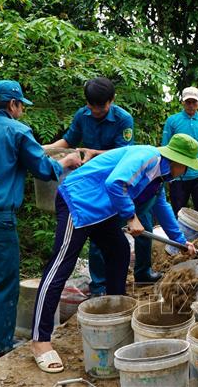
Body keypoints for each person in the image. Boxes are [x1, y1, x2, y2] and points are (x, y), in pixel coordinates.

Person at [31, 134, 198, 373]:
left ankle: (116, 314)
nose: (184, 172)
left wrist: (182, 242)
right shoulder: (148, 157)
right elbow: (115, 183)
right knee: (61, 267)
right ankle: (40, 340)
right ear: (177, 160)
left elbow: (162, 208)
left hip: (102, 211)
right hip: (79, 202)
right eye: (186, 166)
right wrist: (132, 217)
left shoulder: (159, 177)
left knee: (119, 250)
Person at [0, 80, 81, 363]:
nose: (22, 109)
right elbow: (44, 169)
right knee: (5, 279)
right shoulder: (18, 131)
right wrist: (68, 160)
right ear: (12, 105)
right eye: (21, 104)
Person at [44, 77, 151, 294]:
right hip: (90, 185)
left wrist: (93, 153)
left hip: (115, 185)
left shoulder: (123, 120)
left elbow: (125, 154)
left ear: (111, 100)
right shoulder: (83, 115)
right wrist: (43, 150)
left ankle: (127, 281)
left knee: (121, 237)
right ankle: (98, 286)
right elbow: (68, 140)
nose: (95, 111)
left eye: (101, 106)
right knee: (97, 236)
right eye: (91, 106)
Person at [162, 86, 198, 218]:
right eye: (188, 102)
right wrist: (166, 172)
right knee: (178, 211)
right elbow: (165, 146)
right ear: (183, 102)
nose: (191, 105)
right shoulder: (173, 121)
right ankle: (177, 238)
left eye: (194, 102)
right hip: (177, 176)